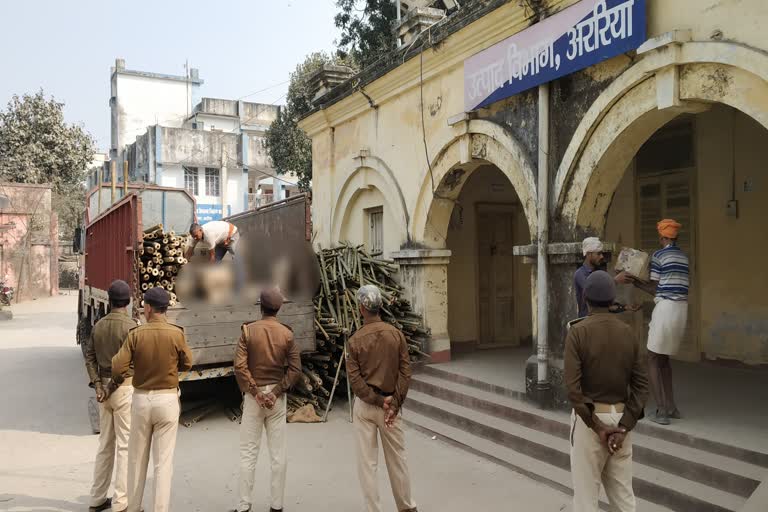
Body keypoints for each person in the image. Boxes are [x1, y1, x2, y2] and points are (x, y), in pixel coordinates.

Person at [565, 270, 649, 512]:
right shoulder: (628, 333)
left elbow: (573, 389)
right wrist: (624, 426)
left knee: (586, 500)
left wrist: (598, 427)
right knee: (624, 500)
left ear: (585, 299)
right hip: (621, 419)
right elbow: (642, 386)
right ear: (613, 300)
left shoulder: (577, 333)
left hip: (589, 422)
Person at [111, 287, 193, 512]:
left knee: (136, 459)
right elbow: (188, 363)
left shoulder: (136, 335)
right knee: (163, 463)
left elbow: (118, 367)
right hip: (167, 400)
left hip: (140, 401)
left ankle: (135, 507)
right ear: (166, 309)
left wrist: (131, 371)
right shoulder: (177, 333)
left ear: (147, 308)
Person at [347, 285, 418, 512]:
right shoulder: (396, 335)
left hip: (366, 407)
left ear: (361, 309)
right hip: (391, 408)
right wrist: (393, 403)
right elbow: (405, 372)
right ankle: (407, 507)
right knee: (398, 459)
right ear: (380, 306)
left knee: (367, 464)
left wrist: (377, 401)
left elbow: (355, 381)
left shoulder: (354, 341)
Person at [233, 287, 302, 512]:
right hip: (276, 399)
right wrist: (275, 392)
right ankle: (277, 506)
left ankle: (244, 506)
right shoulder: (287, 334)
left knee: (248, 453)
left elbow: (239, 367)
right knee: (278, 454)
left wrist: (255, 392)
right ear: (279, 308)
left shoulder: (248, 331)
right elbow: (295, 369)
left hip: (254, 400)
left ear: (260, 306)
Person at [617, 219, 689, 425]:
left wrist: (635, 281)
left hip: (666, 308)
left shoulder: (659, 255)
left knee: (651, 359)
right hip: (681, 310)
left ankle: (661, 410)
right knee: (663, 360)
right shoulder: (683, 257)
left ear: (662, 237)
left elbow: (655, 289)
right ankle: (672, 407)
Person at [83, 280, 137, 512]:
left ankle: (96, 498)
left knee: (105, 445)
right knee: (124, 446)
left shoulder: (99, 325)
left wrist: (98, 385)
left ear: (111, 301)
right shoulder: (132, 327)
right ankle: (120, 502)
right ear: (128, 301)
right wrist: (112, 386)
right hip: (123, 388)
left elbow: (90, 358)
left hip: (103, 391)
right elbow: (133, 364)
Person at [574, 237, 639, 319]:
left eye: (601, 254)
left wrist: (625, 307)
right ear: (589, 254)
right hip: (587, 322)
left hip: (602, 320)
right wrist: (615, 280)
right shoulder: (580, 274)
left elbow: (604, 305)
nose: (601, 256)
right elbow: (595, 292)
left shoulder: (600, 272)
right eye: (598, 254)